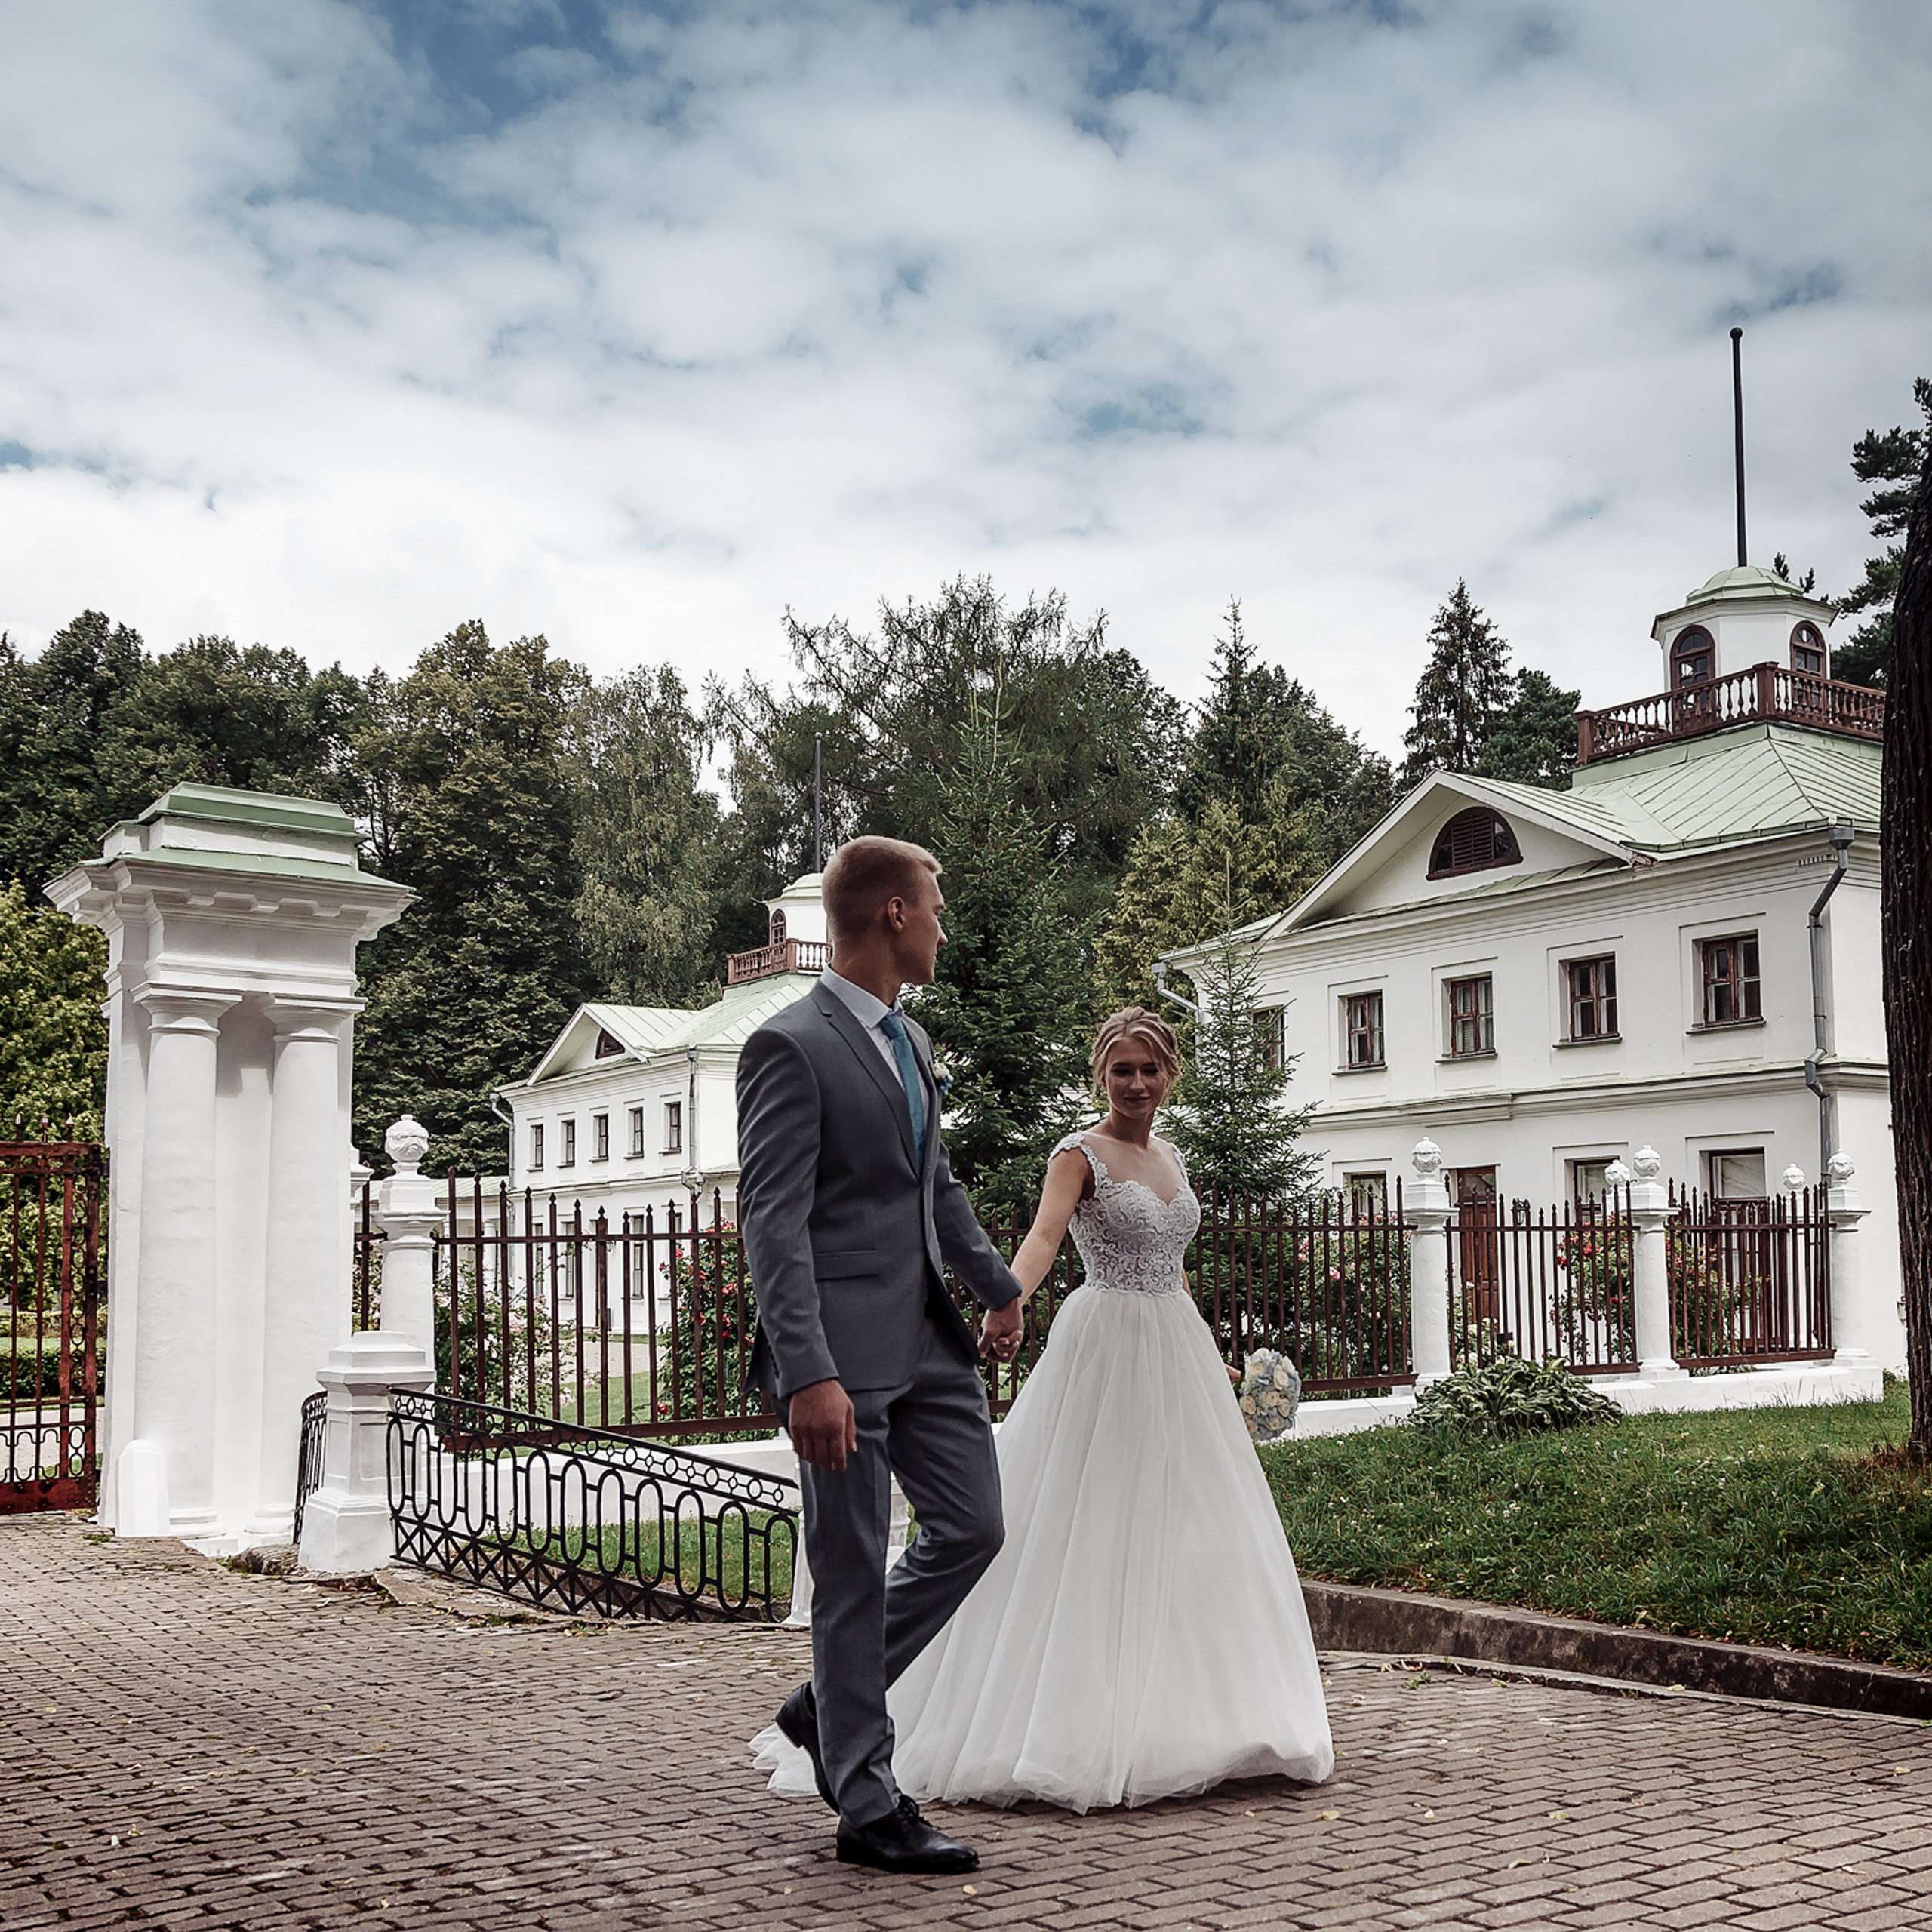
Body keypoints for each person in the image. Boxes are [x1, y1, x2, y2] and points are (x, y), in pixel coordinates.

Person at [755, 1006, 1334, 1811]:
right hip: (1103, 1348)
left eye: (1149, 1069)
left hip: (1177, 1351)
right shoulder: (1079, 1153)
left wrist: (1212, 1352)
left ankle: (1191, 1718)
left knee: (1187, 1531)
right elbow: (1041, 1237)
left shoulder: (1170, 1154)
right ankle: (1039, 1716)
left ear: (1170, 1074)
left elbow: (1173, 1265)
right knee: (1083, 1525)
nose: (1136, 1083)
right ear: (1101, 1072)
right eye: (1121, 1068)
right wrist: (1007, 1302)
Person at [736, 835, 1026, 1875]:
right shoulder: (789, 1045)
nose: (944, 926)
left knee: (976, 1528)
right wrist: (805, 1370)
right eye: (935, 908)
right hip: (842, 1365)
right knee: (852, 1576)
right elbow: (772, 1222)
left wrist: (996, 1285)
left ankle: (828, 1703)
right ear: (894, 915)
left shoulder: (908, 1042)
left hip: (930, 1345)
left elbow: (933, 1188)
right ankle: (867, 1805)